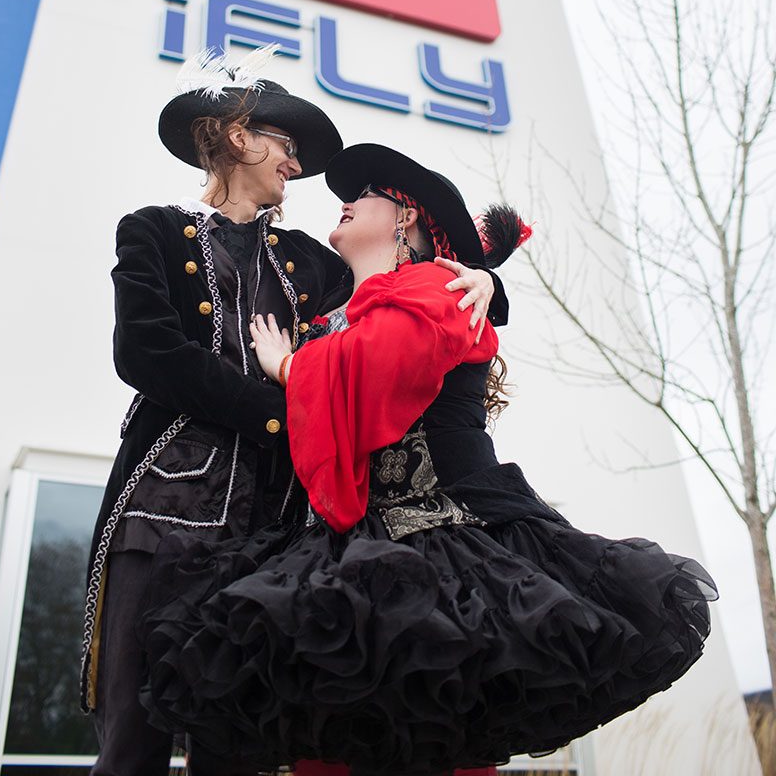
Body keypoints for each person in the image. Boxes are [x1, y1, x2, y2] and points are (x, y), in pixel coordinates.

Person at [138, 144, 717, 776]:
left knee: (440, 735)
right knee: (331, 741)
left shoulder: (441, 289)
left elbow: (377, 371)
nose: (345, 201)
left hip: (445, 548)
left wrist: (290, 366)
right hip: (348, 550)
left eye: (366, 196)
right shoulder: (333, 314)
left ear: (405, 216)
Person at [82, 54, 504, 776]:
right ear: (239, 137)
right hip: (162, 519)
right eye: (284, 143)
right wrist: (285, 410)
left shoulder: (310, 261)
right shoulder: (149, 230)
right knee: (133, 738)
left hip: (270, 534)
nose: (296, 161)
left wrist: (487, 279)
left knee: (238, 748)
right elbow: (149, 356)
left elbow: (406, 282)